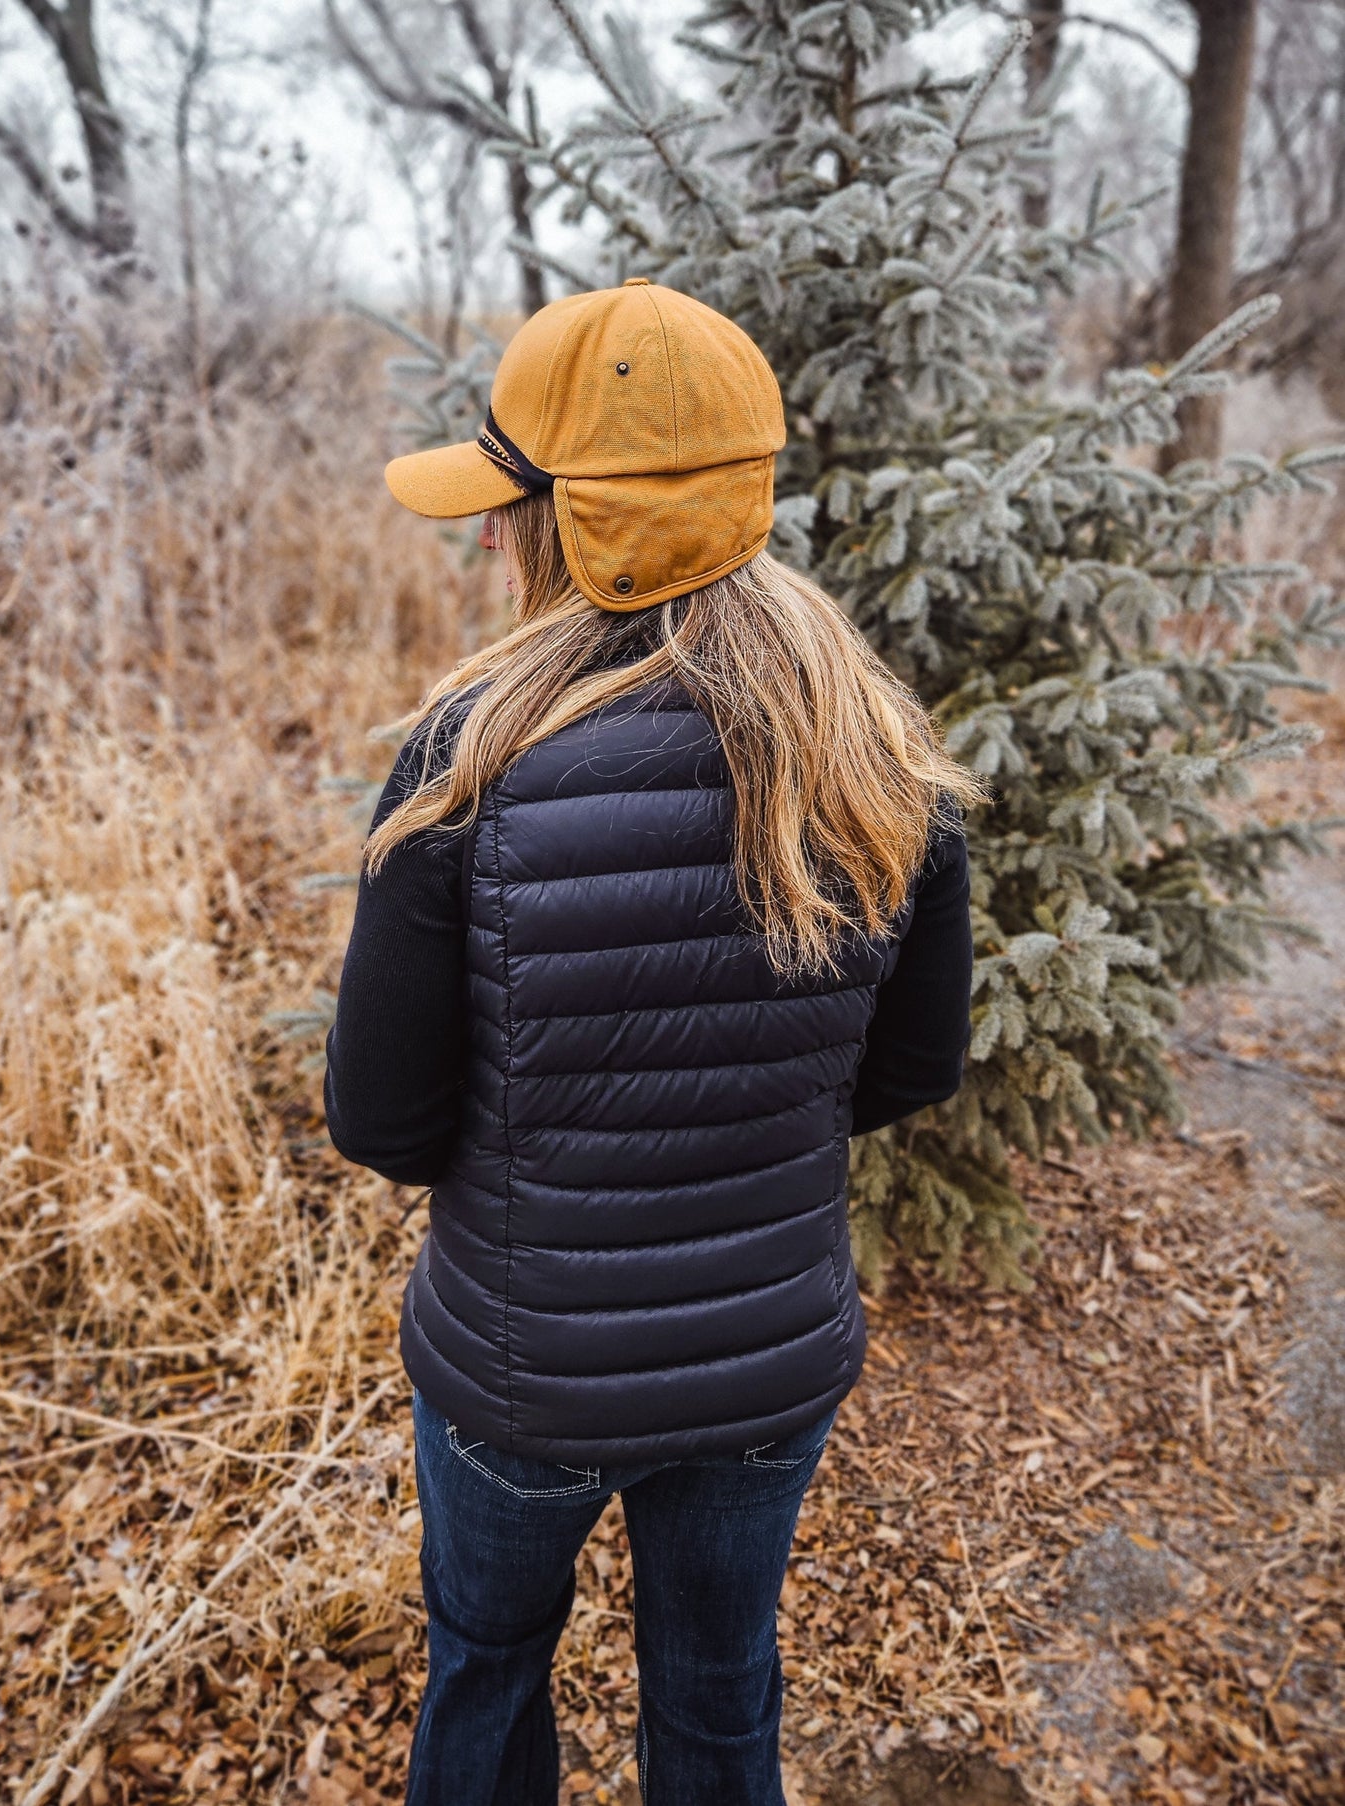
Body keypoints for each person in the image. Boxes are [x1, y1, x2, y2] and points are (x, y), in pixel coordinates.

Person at [324, 279, 984, 1806]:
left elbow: (383, 1122)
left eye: (510, 505)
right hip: (767, 1361)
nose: (487, 535)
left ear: (569, 527)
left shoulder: (464, 767)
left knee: (486, 1669)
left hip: (518, 1370)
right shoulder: (881, 753)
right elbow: (910, 1072)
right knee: (716, 1685)